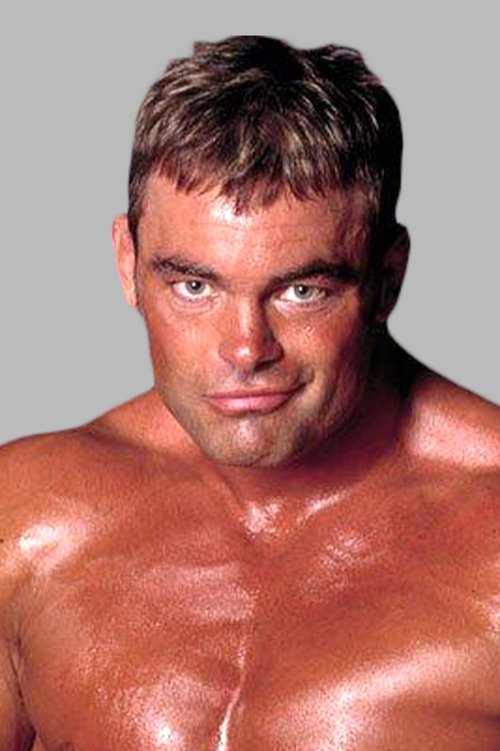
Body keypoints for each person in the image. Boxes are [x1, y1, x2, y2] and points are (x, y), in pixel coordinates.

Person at [1, 34, 499, 751]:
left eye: (302, 291)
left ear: (386, 279)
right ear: (128, 262)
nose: (245, 349)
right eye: (194, 286)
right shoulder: (27, 518)